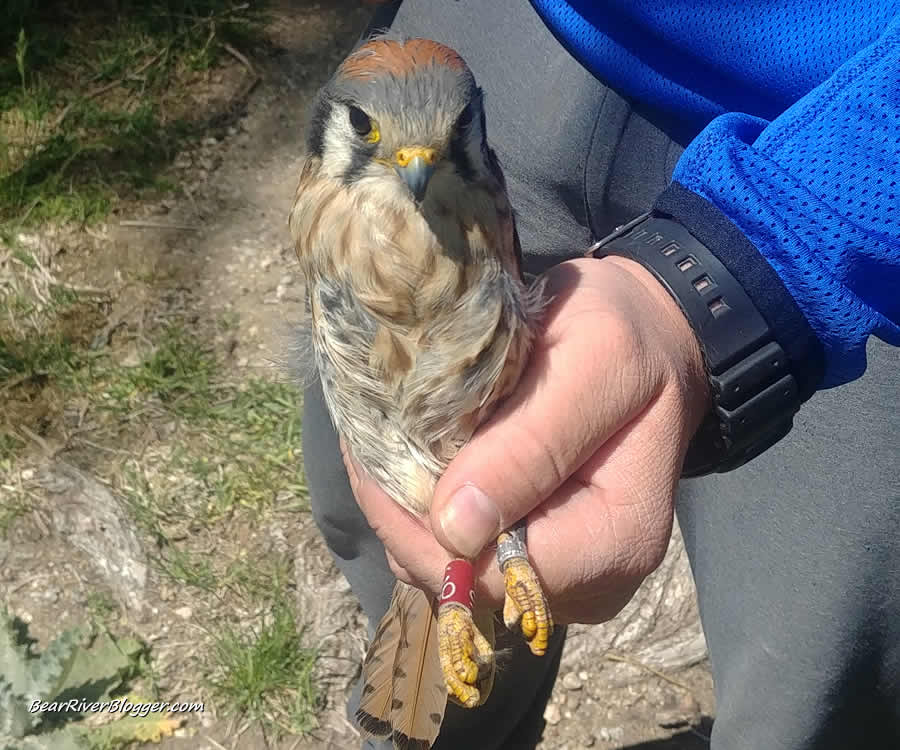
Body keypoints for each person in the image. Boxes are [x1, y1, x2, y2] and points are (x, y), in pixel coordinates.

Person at [302, 2, 900, 748]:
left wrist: (781, 246)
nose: (414, 170)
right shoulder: (351, 187)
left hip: (849, 123)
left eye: (435, 149)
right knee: (373, 523)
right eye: (374, 138)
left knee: (821, 661)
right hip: (529, 23)